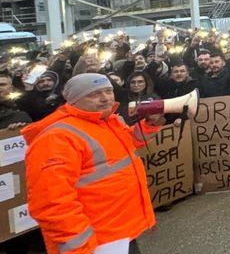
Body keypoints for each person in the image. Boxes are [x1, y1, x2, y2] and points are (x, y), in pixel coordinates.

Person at [23, 73, 165, 253]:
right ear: (75, 99)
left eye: (108, 91)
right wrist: (80, 246)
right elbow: (52, 204)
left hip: (117, 232)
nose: (105, 98)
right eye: (94, 94)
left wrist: (151, 124)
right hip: (95, 242)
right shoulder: (57, 138)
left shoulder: (107, 121)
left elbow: (129, 142)